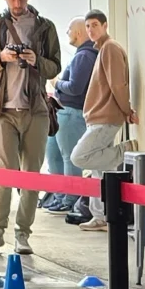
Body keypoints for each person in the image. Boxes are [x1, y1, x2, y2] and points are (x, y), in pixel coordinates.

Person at [0, 0, 60, 258]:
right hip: (3, 109)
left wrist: (36, 60)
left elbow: (55, 67)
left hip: (35, 109)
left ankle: (23, 233)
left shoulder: (45, 26)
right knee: (4, 172)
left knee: (32, 175)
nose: (18, 3)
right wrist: (2, 57)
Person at [69, 6, 135, 224]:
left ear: (105, 25)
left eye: (95, 25)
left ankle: (126, 151)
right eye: (88, 26)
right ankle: (100, 216)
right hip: (98, 116)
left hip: (105, 117)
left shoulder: (110, 48)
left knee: (79, 157)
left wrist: (126, 110)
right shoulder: (102, 49)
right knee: (100, 169)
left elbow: (118, 84)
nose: (90, 30)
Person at [45, 15, 96, 219]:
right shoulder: (83, 55)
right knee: (54, 156)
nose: (67, 33)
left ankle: (70, 199)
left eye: (69, 30)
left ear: (78, 32)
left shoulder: (84, 56)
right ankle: (60, 196)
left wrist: (56, 83)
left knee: (68, 157)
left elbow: (75, 88)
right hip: (64, 112)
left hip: (71, 112)